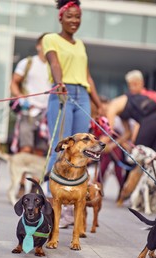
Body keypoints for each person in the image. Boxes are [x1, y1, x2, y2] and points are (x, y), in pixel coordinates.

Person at [42, 0, 103, 227]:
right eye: (70, 16)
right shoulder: (51, 39)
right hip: (62, 93)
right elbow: (55, 63)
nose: (74, 21)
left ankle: (70, 209)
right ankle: (51, 204)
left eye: (78, 17)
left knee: (82, 149)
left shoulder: (81, 45)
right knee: (60, 146)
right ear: (61, 17)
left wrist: (98, 104)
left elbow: (87, 77)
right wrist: (59, 83)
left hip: (82, 96)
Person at [105, 70, 156, 203]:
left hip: (151, 123)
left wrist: (102, 145)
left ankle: (124, 196)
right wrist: (113, 145)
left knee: (139, 161)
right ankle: (128, 196)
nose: (132, 87)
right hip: (153, 124)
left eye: (134, 84)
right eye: (130, 85)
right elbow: (127, 133)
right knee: (154, 161)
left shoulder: (112, 106)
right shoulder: (126, 102)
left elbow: (108, 131)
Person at [10, 33, 51, 196]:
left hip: (47, 113)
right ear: (38, 46)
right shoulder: (27, 63)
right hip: (29, 111)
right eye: (44, 43)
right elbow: (14, 82)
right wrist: (20, 97)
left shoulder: (54, 65)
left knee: (40, 150)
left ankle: (35, 185)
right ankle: (21, 183)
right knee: (26, 147)